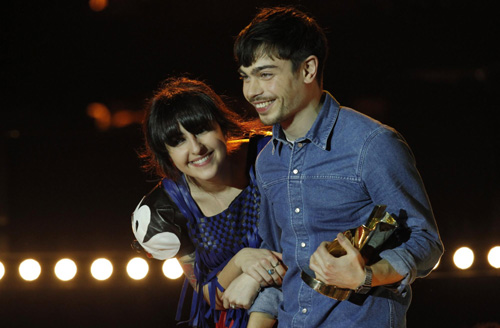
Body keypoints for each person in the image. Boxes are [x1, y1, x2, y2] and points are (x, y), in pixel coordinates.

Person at [233, 6, 444, 327]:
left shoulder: (371, 143)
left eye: (266, 74)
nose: (252, 91)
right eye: (246, 77)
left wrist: (367, 276)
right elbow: (279, 260)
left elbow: (426, 241)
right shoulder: (267, 161)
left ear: (307, 69)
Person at [130, 77, 285, 328]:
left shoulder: (273, 155)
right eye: (178, 141)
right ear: (166, 154)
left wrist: (257, 276)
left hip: (303, 302)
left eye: (201, 130)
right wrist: (242, 260)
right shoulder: (167, 210)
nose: (196, 148)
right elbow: (212, 298)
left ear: (222, 127)